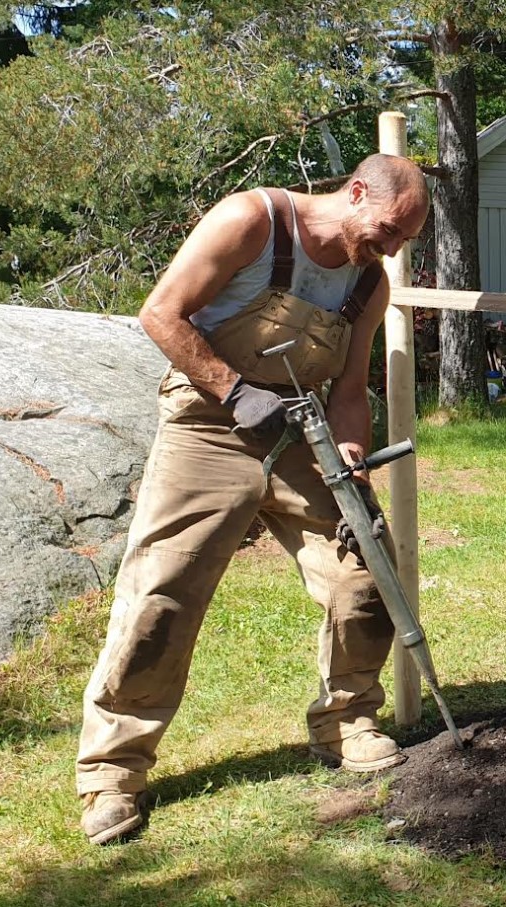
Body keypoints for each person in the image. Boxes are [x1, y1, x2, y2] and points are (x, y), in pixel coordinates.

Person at [76, 154, 431, 845]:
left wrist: (352, 460)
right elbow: (161, 313)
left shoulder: (368, 285)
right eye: (387, 230)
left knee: (365, 565)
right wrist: (236, 392)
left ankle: (348, 719)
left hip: (302, 432)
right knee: (161, 592)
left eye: (401, 241)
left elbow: (351, 392)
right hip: (208, 426)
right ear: (356, 193)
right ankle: (113, 772)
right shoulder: (254, 222)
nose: (391, 250)